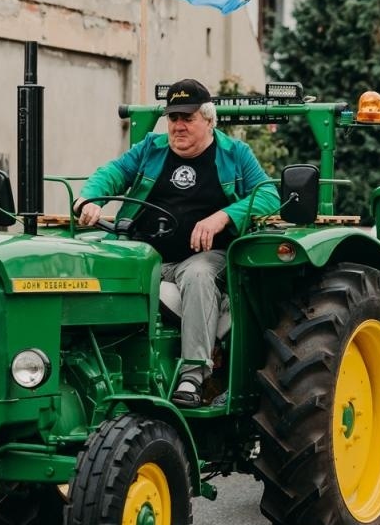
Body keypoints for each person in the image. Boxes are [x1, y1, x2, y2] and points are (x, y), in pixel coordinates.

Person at [78, 78, 279, 407]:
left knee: (198, 274)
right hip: (146, 254)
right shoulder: (151, 148)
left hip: (205, 257)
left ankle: (193, 375)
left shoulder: (235, 154)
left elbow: (269, 195)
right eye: (173, 118)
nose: (178, 126)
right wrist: (89, 198)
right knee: (90, 261)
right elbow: (112, 172)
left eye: (188, 118)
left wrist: (223, 217)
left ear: (209, 120)